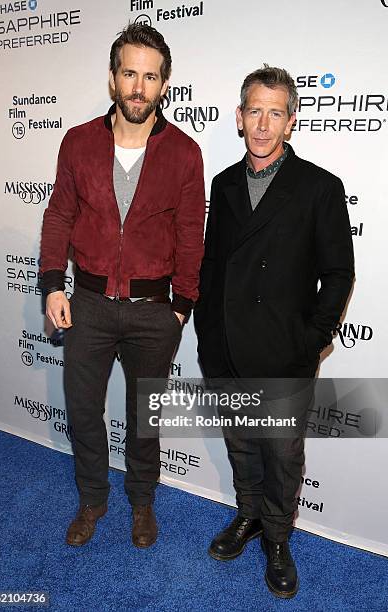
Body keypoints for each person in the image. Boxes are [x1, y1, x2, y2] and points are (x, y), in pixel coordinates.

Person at [40, 23, 205, 549]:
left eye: (150, 77)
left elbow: (190, 235)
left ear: (164, 85)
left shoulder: (184, 152)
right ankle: (92, 498)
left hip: (153, 311)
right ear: (113, 79)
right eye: (129, 73)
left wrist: (180, 306)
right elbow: (60, 216)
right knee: (84, 410)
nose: (139, 86)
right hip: (85, 304)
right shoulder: (78, 142)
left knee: (144, 417)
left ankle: (141, 501)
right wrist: (51, 284)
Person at [194, 65, 354, 598]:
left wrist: (311, 340)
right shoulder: (222, 185)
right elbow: (212, 265)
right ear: (239, 118)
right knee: (242, 445)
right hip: (226, 350)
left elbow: (338, 274)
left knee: (283, 455)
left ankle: (278, 537)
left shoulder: (319, 188)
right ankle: (249, 515)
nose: (263, 124)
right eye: (254, 111)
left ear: (291, 120)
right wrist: (206, 328)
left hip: (284, 353)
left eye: (275, 112)